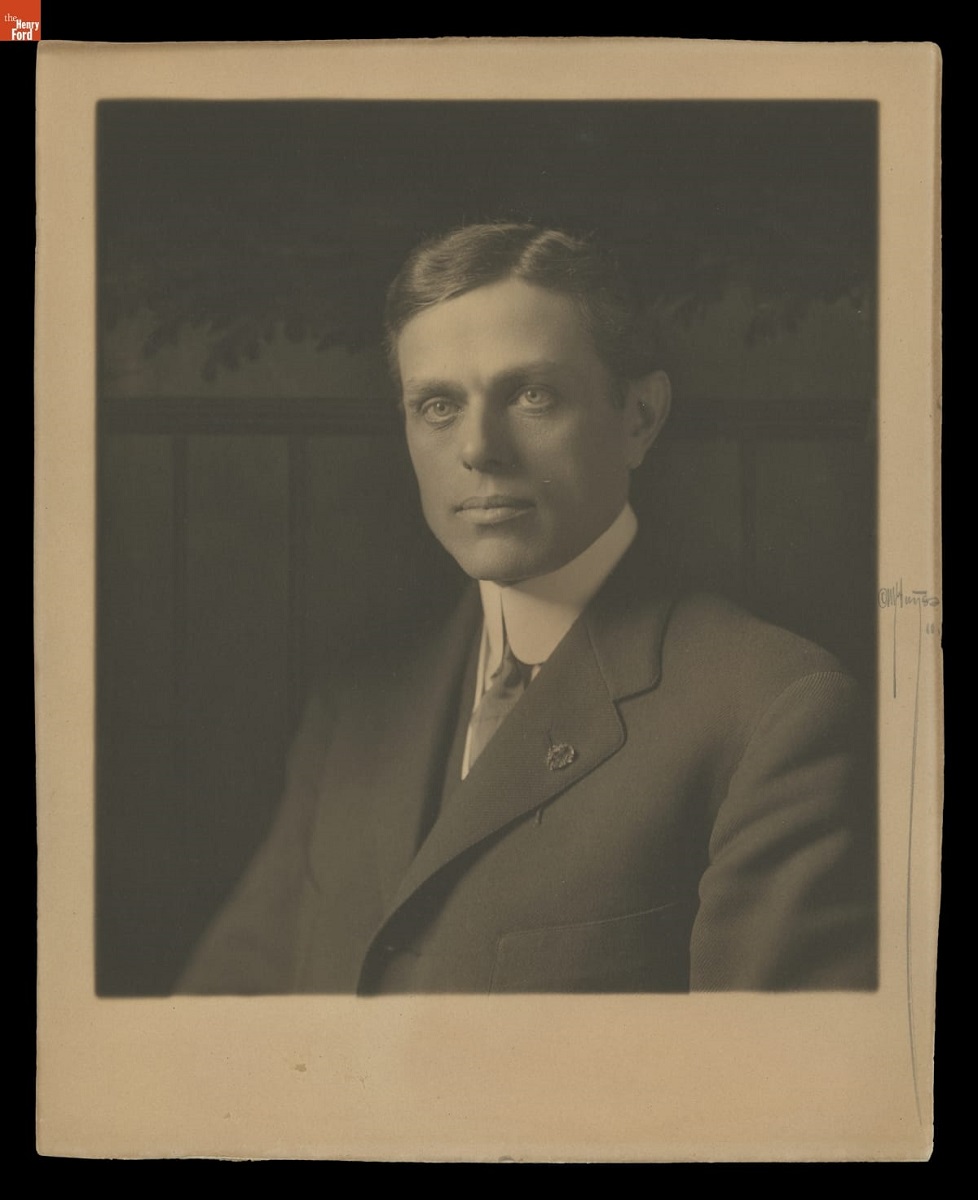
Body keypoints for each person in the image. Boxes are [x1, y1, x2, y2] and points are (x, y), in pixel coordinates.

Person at [178, 222, 877, 995]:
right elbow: (220, 1015)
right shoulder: (354, 712)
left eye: (533, 395)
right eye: (438, 405)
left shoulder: (773, 709)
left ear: (639, 417)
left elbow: (770, 1069)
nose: (479, 448)